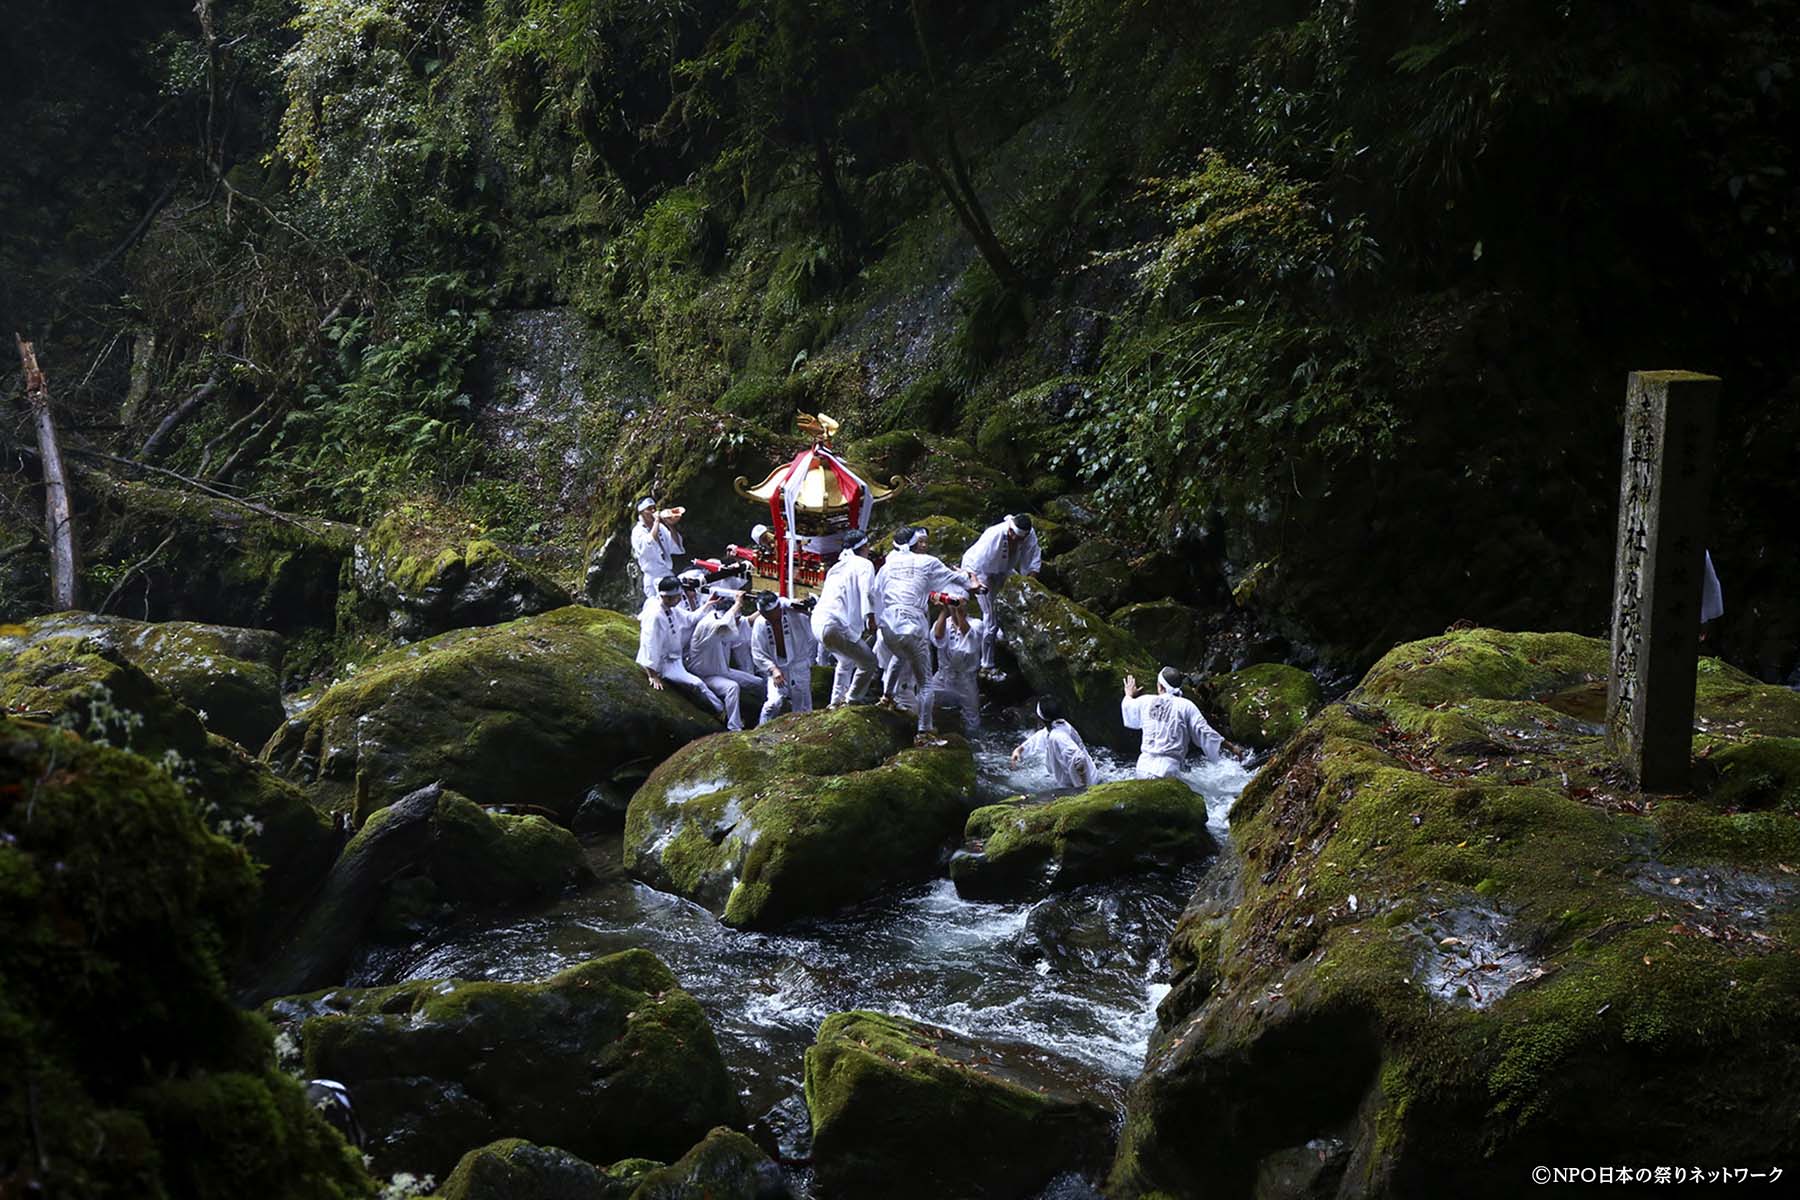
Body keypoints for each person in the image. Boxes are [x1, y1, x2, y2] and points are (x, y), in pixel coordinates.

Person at [871, 526, 975, 736]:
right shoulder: (927, 562)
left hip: (887, 625)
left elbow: (875, 593)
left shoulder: (887, 566)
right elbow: (958, 580)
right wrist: (972, 579)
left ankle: (886, 698)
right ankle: (925, 732)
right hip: (912, 624)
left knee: (900, 656)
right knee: (926, 683)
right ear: (914, 543)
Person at [1122, 666, 1242, 779]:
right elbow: (1205, 732)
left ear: (1160, 686)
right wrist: (1232, 748)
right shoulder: (1186, 705)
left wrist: (1128, 694)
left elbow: (1128, 706)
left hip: (1143, 767)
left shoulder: (1146, 701)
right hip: (1169, 769)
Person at [637, 575, 728, 722]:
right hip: (665, 664)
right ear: (666, 597)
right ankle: (721, 711)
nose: (680, 599)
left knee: (698, 681)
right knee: (698, 684)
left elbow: (689, 619)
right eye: (678, 597)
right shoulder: (655, 615)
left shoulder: (671, 609)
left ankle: (720, 710)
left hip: (676, 658)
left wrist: (708, 604)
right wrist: (652, 674)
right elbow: (650, 643)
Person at [960, 514, 1041, 676]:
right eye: (1013, 535)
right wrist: (975, 583)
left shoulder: (1028, 536)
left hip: (1004, 569)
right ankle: (987, 664)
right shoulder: (994, 535)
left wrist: (1028, 583)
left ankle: (1003, 638)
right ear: (1010, 528)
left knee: (1016, 601)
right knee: (990, 617)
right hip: (980, 572)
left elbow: (1032, 560)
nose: (1015, 539)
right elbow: (972, 564)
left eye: (1019, 538)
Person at [812, 529, 880, 707]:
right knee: (869, 662)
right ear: (864, 547)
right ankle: (852, 699)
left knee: (846, 658)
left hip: (818, 622)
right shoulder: (864, 564)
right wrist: (870, 617)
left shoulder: (836, 567)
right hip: (834, 623)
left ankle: (835, 701)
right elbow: (868, 592)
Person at [686, 588, 762, 731]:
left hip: (723, 670)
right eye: (736, 618)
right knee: (732, 687)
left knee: (758, 683)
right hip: (705, 675)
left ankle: (759, 716)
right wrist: (738, 603)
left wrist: (765, 606)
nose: (738, 621)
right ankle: (734, 727)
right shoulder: (707, 625)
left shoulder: (729, 622)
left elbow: (748, 621)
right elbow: (727, 623)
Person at [751, 589, 817, 725]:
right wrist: (772, 669)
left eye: (770, 613)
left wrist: (809, 661)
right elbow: (757, 652)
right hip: (777, 667)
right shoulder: (760, 623)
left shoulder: (796, 613)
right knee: (772, 704)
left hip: (799, 664)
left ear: (778, 608)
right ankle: (760, 732)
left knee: (803, 708)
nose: (768, 617)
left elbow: (813, 631)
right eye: (764, 615)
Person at [927, 593, 983, 736]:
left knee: (972, 718)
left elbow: (969, 637)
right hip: (942, 675)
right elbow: (937, 637)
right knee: (925, 698)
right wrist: (944, 610)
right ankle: (927, 729)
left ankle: (974, 743)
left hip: (965, 679)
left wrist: (959, 612)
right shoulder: (944, 623)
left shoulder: (976, 623)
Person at [1010, 697, 1096, 789]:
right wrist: (1019, 750)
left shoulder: (1057, 737)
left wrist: (1083, 789)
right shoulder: (1060, 726)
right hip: (1092, 776)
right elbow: (1041, 736)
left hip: (1087, 785)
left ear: (1041, 718)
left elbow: (1079, 759)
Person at [630, 498, 685, 599]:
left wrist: (671, 526)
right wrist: (656, 522)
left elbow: (675, 546)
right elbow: (648, 547)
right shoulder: (637, 532)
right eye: (649, 509)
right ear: (641, 512)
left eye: (654, 508)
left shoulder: (661, 527)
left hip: (667, 574)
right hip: (653, 578)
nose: (653, 511)